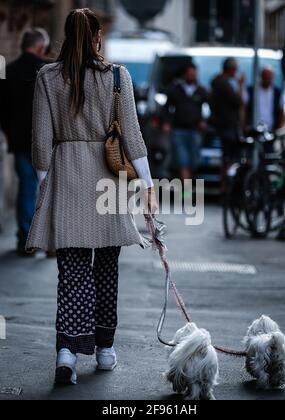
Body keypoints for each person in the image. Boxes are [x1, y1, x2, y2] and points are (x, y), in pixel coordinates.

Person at [25, 8, 158, 384]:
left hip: (67, 176)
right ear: (97, 36)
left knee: (71, 271)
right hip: (108, 186)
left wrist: (45, 186)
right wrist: (148, 186)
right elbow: (132, 136)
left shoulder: (47, 77)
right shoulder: (117, 77)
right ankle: (104, 349)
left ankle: (66, 353)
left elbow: (40, 142)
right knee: (106, 269)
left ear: (65, 36)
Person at [1, 29, 49, 256]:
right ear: (40, 48)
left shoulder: (9, 71)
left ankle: (26, 238)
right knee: (47, 189)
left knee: (27, 188)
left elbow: (2, 112)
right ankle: (47, 239)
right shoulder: (47, 71)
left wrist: (11, 134)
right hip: (46, 142)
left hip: (20, 141)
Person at [162, 63, 208, 181]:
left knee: (193, 162)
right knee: (182, 161)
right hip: (179, 130)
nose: (191, 76)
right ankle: (187, 194)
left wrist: (204, 121)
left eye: (193, 74)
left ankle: (186, 189)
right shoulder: (176, 89)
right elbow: (167, 107)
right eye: (189, 74)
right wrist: (167, 123)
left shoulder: (201, 90)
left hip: (194, 130)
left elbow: (210, 108)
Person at [210, 57, 246, 166]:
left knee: (229, 157)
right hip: (227, 124)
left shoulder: (219, 83)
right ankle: (226, 182)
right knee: (229, 157)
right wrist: (241, 85)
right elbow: (239, 101)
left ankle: (226, 181)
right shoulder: (223, 84)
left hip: (224, 124)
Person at [247, 67, 285, 133]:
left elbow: (281, 110)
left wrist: (280, 126)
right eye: (266, 78)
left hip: (272, 130)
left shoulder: (277, 93)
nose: (268, 80)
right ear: (261, 77)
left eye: (270, 78)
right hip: (254, 129)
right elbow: (245, 107)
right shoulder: (252, 90)